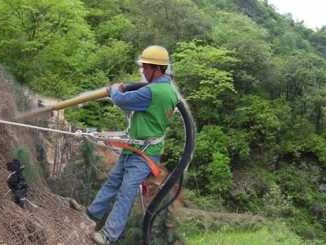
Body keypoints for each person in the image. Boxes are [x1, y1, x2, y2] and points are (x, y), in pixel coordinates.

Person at [86, 45, 178, 244]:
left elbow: (123, 101)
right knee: (113, 182)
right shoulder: (168, 91)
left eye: (145, 67)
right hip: (135, 150)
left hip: (143, 155)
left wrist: (113, 90)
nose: (143, 71)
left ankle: (109, 236)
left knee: (125, 193)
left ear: (156, 68)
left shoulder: (153, 92)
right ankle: (91, 214)